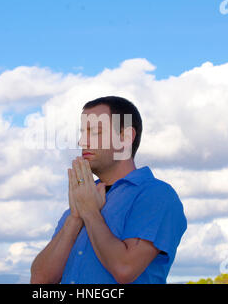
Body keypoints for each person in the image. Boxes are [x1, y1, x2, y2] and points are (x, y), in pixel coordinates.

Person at [30, 96, 187, 284]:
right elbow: (40, 281)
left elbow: (124, 269)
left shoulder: (157, 195)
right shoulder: (83, 198)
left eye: (95, 132)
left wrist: (90, 213)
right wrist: (75, 218)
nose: (82, 142)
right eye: (82, 133)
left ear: (125, 138)